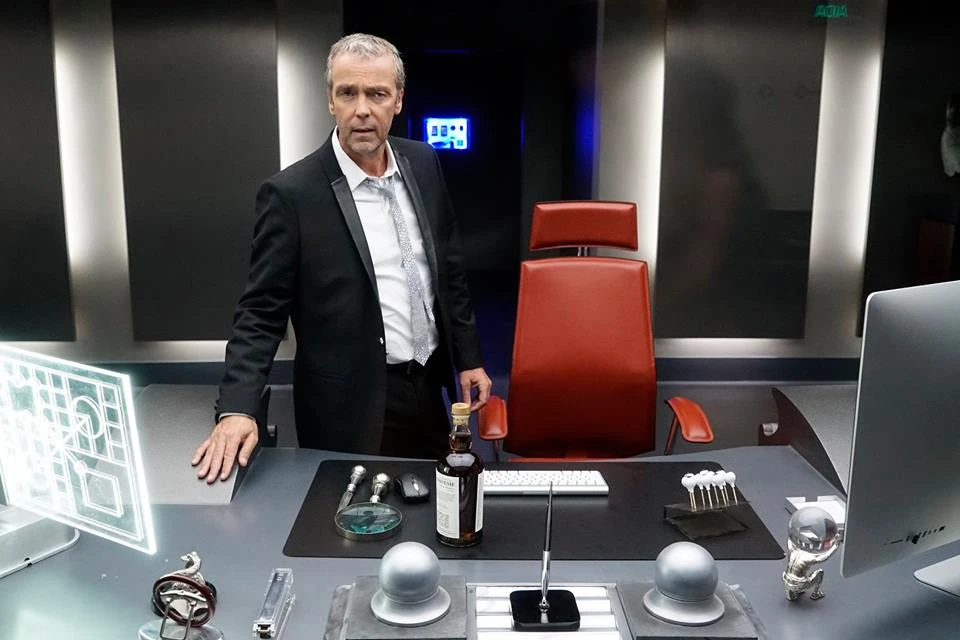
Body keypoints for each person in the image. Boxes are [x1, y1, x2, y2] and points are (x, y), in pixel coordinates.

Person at [192, 33, 491, 483]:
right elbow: (261, 312)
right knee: (348, 516)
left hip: (429, 387)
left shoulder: (424, 162)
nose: (362, 109)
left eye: (377, 94)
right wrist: (237, 407)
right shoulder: (292, 194)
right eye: (348, 93)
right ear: (330, 100)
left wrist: (468, 358)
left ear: (398, 100)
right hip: (348, 404)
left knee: (435, 502)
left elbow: (447, 272)